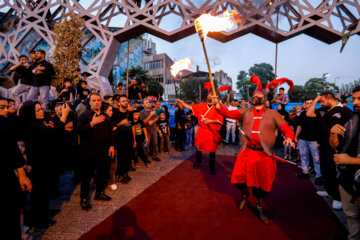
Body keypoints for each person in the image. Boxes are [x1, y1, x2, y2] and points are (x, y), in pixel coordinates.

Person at [213, 77, 295, 224]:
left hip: (264, 155)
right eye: (254, 95)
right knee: (238, 179)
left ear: (265, 98)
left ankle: (259, 205)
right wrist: (217, 105)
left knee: (261, 185)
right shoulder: (245, 111)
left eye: (259, 95)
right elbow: (227, 113)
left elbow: (286, 128)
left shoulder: (273, 114)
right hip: (246, 152)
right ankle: (244, 194)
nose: (255, 96)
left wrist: (289, 137)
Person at [307, 92, 353, 210]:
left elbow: (353, 125)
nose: (321, 104)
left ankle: (338, 197)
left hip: (337, 147)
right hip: (323, 145)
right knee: (325, 169)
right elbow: (309, 113)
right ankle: (330, 191)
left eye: (322, 101)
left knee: (334, 171)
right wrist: (316, 99)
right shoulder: (323, 110)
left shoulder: (343, 110)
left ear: (330, 99)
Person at [330, 86, 360, 240]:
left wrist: (350, 160)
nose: (355, 102)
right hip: (346, 178)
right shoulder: (352, 121)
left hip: (357, 176)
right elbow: (335, 145)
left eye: (359, 99)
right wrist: (333, 133)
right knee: (351, 216)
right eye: (353, 99)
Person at [1, 96, 32, 239]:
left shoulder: (6, 123)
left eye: (7, 107)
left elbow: (11, 149)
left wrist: (22, 174)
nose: (6, 110)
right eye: (2, 107)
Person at [77, 93, 115, 210]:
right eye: (94, 100)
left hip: (103, 150)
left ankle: (99, 193)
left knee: (102, 174)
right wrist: (93, 123)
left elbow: (110, 132)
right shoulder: (84, 116)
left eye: (98, 100)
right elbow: (79, 131)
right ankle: (84, 199)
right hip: (88, 152)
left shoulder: (105, 116)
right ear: (90, 102)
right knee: (87, 176)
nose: (96, 102)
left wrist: (111, 146)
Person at [176, 91, 224, 175]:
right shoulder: (201, 105)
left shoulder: (218, 107)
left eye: (211, 95)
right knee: (198, 148)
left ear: (215, 97)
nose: (209, 96)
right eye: (209, 94)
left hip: (211, 131)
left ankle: (212, 167)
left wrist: (210, 121)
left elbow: (220, 121)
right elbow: (190, 108)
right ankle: (198, 162)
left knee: (212, 151)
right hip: (202, 130)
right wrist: (182, 102)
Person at [295, 98, 322, 185]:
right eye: (308, 103)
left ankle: (318, 176)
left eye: (311, 103)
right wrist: (296, 136)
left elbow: (321, 128)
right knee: (303, 156)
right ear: (304, 104)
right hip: (303, 139)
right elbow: (299, 126)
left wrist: (320, 140)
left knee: (316, 158)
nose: (310, 105)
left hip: (314, 140)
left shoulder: (317, 114)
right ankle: (305, 172)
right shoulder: (302, 114)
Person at [112, 95, 133, 183]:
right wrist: (120, 123)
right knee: (120, 157)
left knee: (128, 157)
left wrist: (134, 140)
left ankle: (125, 173)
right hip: (119, 140)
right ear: (119, 103)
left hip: (129, 139)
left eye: (126, 101)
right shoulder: (115, 113)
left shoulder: (130, 113)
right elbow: (112, 127)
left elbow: (132, 126)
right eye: (123, 101)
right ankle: (119, 174)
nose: (125, 102)